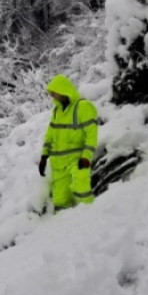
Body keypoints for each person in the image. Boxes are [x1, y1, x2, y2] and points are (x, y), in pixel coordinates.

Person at [38, 74, 98, 212]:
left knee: (82, 195)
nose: (53, 96)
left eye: (55, 93)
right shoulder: (57, 111)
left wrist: (86, 157)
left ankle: (92, 219)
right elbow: (50, 135)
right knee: (60, 203)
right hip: (58, 165)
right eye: (51, 94)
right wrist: (44, 157)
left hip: (76, 162)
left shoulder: (83, 107)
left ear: (64, 90)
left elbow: (91, 135)